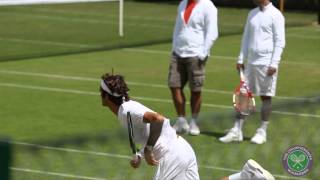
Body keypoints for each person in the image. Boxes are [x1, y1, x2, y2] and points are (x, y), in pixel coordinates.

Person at [100, 73, 200, 180]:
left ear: (106, 96)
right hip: (182, 151)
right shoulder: (125, 110)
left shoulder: (126, 110)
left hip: (172, 156)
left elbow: (158, 119)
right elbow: (154, 134)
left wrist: (148, 149)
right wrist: (140, 155)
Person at [219, 0, 285, 144]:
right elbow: (246, 38)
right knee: (244, 96)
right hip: (250, 63)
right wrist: (241, 58)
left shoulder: (276, 15)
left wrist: (274, 63)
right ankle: (237, 130)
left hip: (267, 63)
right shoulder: (252, 14)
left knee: (265, 97)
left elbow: (280, 41)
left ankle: (262, 131)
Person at [169, 0, 218, 135]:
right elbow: (177, 28)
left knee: (195, 90)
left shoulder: (208, 6)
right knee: (174, 85)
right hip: (177, 53)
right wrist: (173, 48)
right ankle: (181, 121)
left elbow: (212, 32)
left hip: (196, 55)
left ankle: (194, 122)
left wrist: (203, 53)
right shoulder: (182, 4)